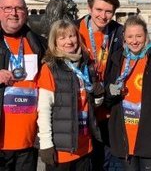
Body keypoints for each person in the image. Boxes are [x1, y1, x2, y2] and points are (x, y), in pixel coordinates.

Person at [104, 15, 151, 170]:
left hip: (149, 137)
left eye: (139, 36)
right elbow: (108, 101)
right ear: (124, 37)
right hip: (126, 136)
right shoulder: (117, 59)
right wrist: (111, 91)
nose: (134, 41)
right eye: (130, 36)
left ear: (146, 36)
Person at [36, 19, 104, 171]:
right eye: (62, 38)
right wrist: (46, 144)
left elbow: (90, 104)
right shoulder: (50, 68)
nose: (69, 41)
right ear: (55, 42)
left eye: (72, 36)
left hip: (84, 144)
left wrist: (98, 97)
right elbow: (44, 109)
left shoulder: (85, 65)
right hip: (62, 148)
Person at [75, 0, 123, 170]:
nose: (103, 16)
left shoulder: (119, 33)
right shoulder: (74, 30)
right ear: (89, 8)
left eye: (108, 11)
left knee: (106, 160)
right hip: (82, 107)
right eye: (99, 10)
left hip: (108, 107)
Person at [0, 0, 46, 171]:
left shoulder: (39, 43)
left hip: (28, 141)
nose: (14, 13)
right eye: (7, 8)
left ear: (26, 12)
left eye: (19, 8)